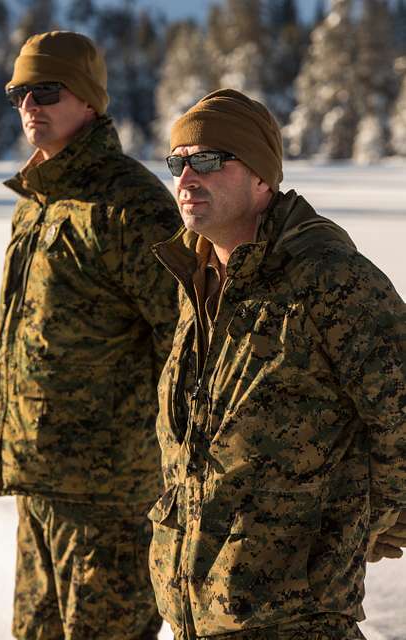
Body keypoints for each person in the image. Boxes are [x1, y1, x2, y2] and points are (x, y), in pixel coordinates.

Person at [147, 89, 406, 640]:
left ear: (262, 178)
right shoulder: (197, 285)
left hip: (293, 621)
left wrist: (360, 525)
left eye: (210, 160)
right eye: (177, 162)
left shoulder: (331, 279)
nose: (187, 177)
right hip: (197, 614)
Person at [0, 31, 180, 640]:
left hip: (110, 498)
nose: (29, 106)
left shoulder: (130, 204)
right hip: (38, 480)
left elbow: (185, 341)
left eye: (47, 90)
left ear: (90, 101)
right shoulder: (38, 202)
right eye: (19, 92)